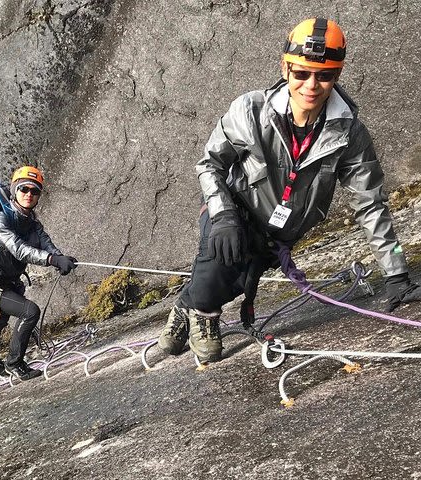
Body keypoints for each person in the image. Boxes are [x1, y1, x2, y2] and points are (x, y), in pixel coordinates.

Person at [158, 18, 421, 364]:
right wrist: (221, 214)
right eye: (301, 73)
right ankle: (202, 311)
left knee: (239, 282)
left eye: (324, 75)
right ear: (285, 67)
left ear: (337, 75)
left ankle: (186, 304)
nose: (312, 84)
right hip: (232, 216)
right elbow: (210, 164)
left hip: (276, 237)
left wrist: (396, 273)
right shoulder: (250, 111)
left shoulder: (349, 134)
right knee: (218, 271)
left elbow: (370, 204)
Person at [0, 166, 77, 380]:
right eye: (24, 189)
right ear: (14, 190)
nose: (29, 194)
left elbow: (47, 245)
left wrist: (61, 259)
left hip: (9, 283)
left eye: (35, 191)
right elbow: (18, 249)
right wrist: (51, 260)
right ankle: (14, 363)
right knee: (30, 312)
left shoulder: (32, 223)